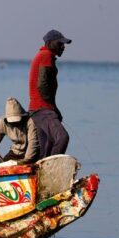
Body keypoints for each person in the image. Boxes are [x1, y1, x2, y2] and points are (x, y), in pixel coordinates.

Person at [28, 29, 71, 158]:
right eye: (60, 43)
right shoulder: (46, 55)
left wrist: (55, 109)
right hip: (42, 109)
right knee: (62, 137)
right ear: (49, 43)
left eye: (63, 44)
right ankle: (52, 168)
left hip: (37, 110)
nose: (63, 47)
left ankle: (43, 168)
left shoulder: (43, 55)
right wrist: (52, 108)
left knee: (47, 149)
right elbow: (42, 85)